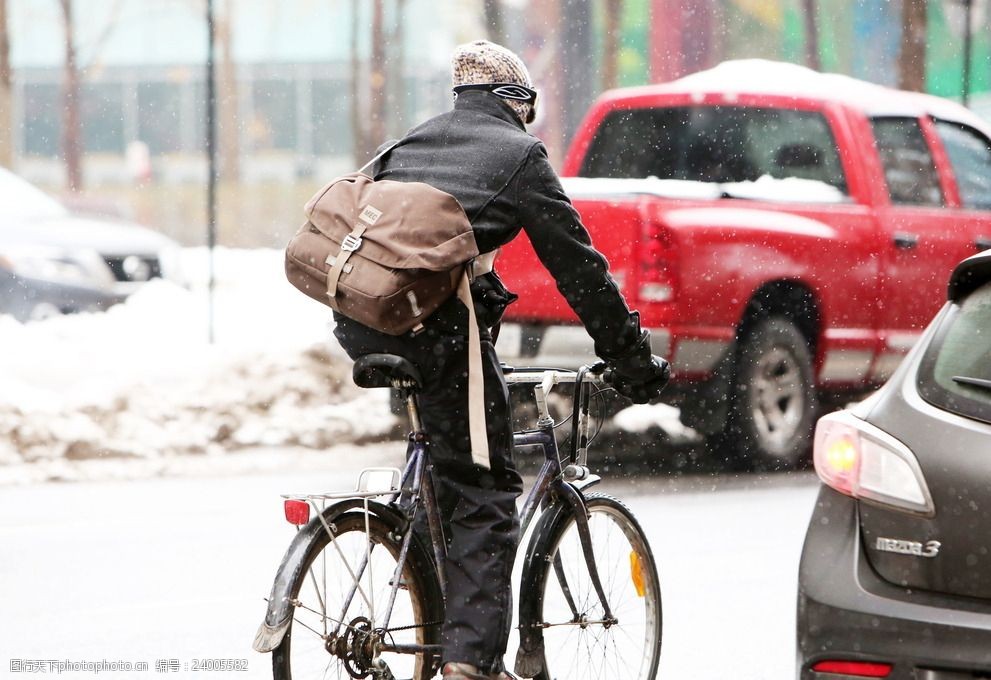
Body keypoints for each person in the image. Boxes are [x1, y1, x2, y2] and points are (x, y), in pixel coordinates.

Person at [332, 40, 669, 680]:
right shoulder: (518, 156)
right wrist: (632, 360)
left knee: (447, 473)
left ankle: (432, 616)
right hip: (434, 331)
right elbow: (581, 271)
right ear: (518, 103)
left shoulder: (413, 144)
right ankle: (469, 664)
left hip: (363, 320)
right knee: (487, 491)